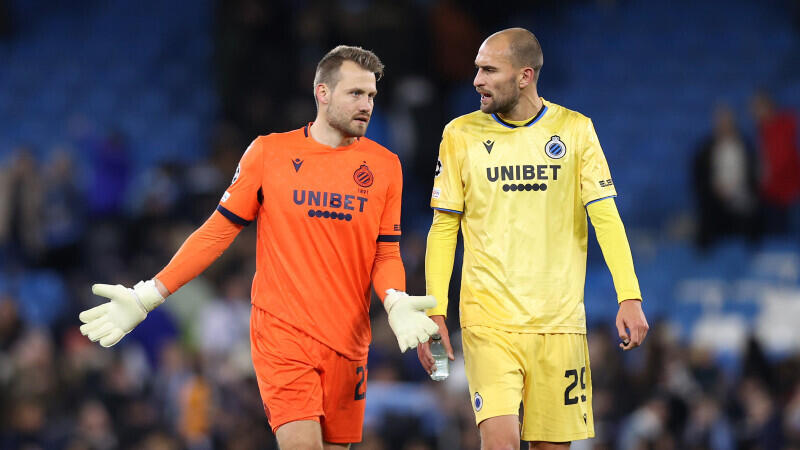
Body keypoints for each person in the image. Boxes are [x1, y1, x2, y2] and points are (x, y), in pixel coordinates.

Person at [78, 45, 440, 450]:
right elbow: (216, 231)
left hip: (349, 340)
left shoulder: (385, 165)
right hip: (282, 333)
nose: (367, 105)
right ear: (322, 92)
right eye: (355, 93)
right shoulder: (270, 153)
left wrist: (394, 300)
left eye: (371, 95)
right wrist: (148, 294)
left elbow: (386, 251)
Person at [417, 28, 649, 450]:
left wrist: (629, 296)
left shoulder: (576, 131)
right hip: (488, 319)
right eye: (476, 70)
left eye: (489, 70)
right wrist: (435, 311)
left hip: (559, 323)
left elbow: (606, 218)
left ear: (524, 76)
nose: (477, 80)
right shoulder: (460, 134)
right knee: (500, 439)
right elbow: (443, 227)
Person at [692, 104, 760, 249]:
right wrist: (715, 189)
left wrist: (738, 188)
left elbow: (754, 173)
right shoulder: (706, 148)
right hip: (714, 199)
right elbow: (699, 176)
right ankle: (703, 262)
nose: (724, 125)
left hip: (741, 198)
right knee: (706, 216)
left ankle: (752, 258)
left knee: (754, 213)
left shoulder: (745, 146)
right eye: (720, 122)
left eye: (727, 121)